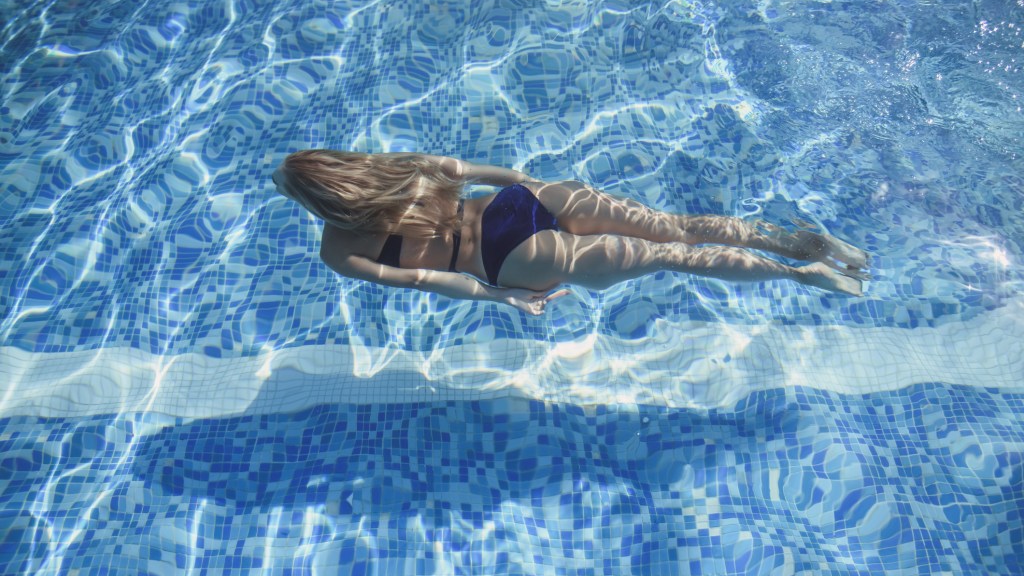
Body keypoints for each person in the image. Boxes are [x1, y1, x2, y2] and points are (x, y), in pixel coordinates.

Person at [271, 150, 869, 316]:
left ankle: (801, 275)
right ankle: (807, 244)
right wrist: (526, 181)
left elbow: (427, 277)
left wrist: (501, 296)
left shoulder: (338, 248)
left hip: (509, 255)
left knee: (673, 259)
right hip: (521, 203)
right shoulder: (385, 168)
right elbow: (461, 170)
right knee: (678, 229)